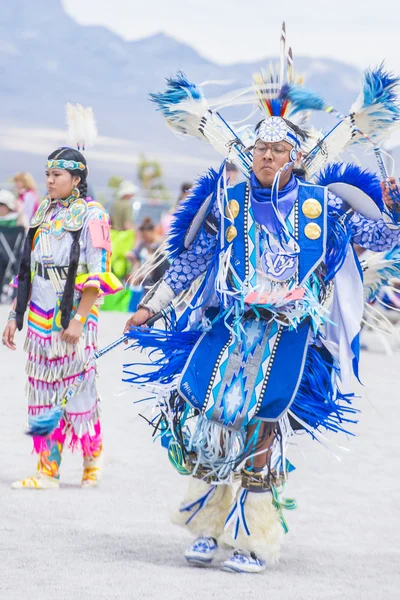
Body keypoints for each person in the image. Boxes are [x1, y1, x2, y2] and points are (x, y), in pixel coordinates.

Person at [122, 62, 400, 571]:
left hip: (289, 336)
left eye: (277, 151)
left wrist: (395, 209)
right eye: (260, 150)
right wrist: (151, 306)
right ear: (250, 154)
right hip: (231, 328)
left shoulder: (323, 205)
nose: (267, 157)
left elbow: (381, 237)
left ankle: (253, 539)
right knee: (210, 419)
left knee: (263, 430)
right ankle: (205, 526)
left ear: (295, 158)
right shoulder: (229, 202)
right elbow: (193, 258)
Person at [2, 146, 122, 489]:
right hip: (40, 314)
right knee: (42, 389)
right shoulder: (43, 212)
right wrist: (15, 315)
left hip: (73, 314)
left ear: (77, 179)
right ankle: (48, 469)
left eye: (57, 176)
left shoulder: (93, 215)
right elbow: (27, 267)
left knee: (77, 387)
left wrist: (79, 320)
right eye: (48, 175)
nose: (50, 181)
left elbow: (98, 274)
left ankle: (92, 457)